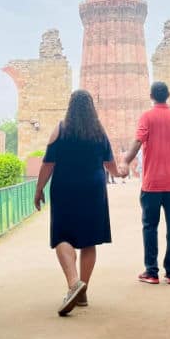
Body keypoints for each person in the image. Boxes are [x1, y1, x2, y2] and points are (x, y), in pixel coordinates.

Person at [34, 89, 122, 315]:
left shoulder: (61, 129)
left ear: (70, 107)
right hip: (93, 190)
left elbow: (48, 164)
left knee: (62, 236)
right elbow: (111, 165)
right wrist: (122, 171)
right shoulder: (99, 132)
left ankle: (74, 284)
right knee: (88, 241)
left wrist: (39, 188)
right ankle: (82, 293)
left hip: (65, 188)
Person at [120, 81, 170, 285]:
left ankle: (151, 272)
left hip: (152, 182)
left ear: (151, 96)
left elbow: (137, 142)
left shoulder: (147, 117)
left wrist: (125, 161)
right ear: (169, 94)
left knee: (150, 226)